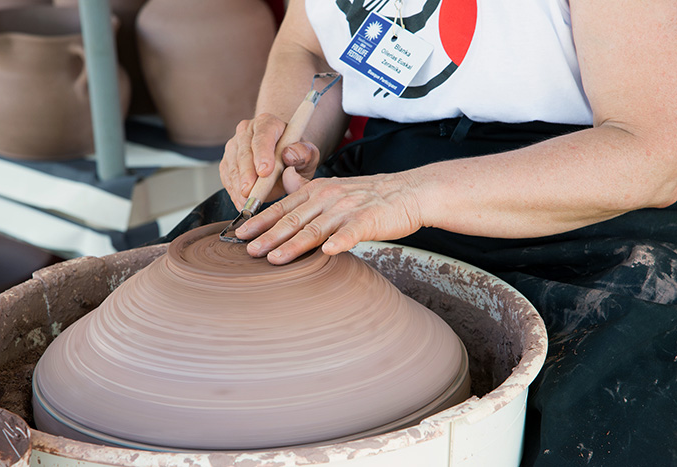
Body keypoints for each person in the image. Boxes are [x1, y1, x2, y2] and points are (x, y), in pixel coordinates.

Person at [159, 1, 677, 464]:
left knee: (594, 395)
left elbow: (653, 157)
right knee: (188, 300)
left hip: (574, 191)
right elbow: (310, 44)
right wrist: (281, 134)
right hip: (387, 165)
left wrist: (407, 196)